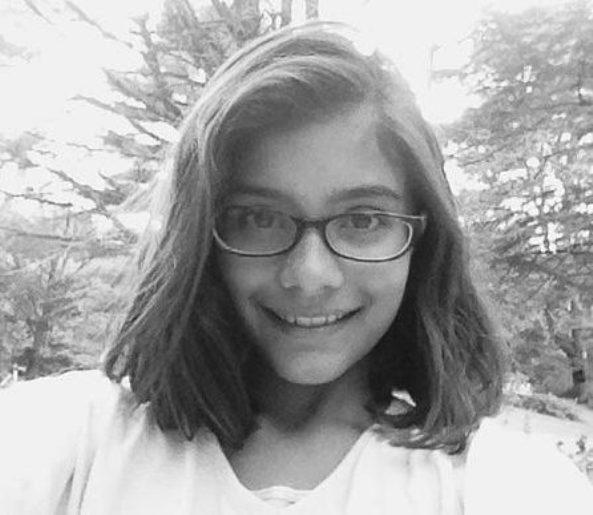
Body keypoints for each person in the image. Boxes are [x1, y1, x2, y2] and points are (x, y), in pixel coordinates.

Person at [1, 21, 592, 515]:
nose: (310, 275)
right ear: (201, 237)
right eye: (259, 218)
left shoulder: (509, 486)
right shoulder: (66, 442)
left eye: (363, 220)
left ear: (422, 241)